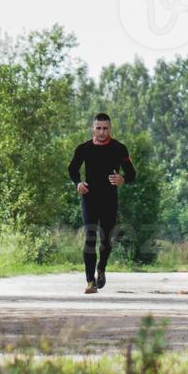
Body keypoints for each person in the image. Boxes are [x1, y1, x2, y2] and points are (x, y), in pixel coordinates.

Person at [67, 112, 135, 294]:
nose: (102, 132)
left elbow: (132, 174)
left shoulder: (119, 149)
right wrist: (78, 183)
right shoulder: (83, 148)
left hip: (109, 198)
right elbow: (72, 169)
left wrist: (122, 179)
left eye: (105, 128)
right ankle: (90, 282)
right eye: (98, 128)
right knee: (90, 236)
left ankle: (101, 268)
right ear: (93, 129)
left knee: (106, 239)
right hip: (89, 197)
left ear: (110, 129)